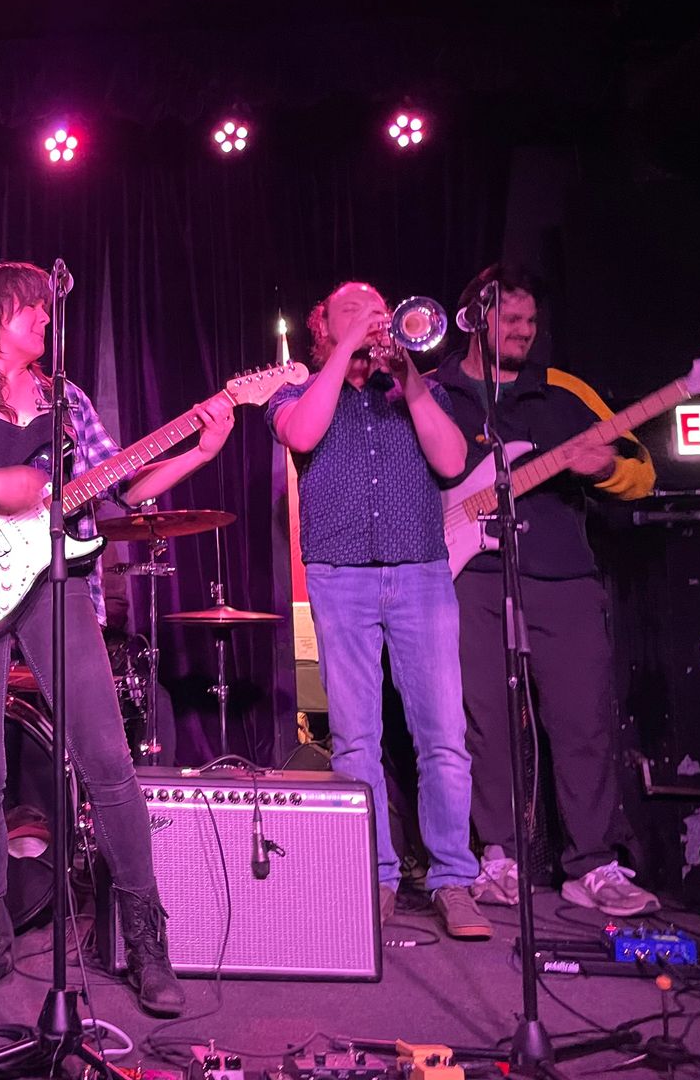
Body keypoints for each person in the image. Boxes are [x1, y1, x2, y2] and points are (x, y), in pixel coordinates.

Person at [0, 261, 233, 1016]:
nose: (46, 320)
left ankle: (147, 944)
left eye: (47, 311)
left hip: (59, 584)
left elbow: (124, 485)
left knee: (109, 763)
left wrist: (201, 450)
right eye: (32, 310)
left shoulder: (67, 399)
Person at [267, 281, 491, 940]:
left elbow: (452, 462)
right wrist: (345, 353)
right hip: (339, 578)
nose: (371, 317)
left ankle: (454, 880)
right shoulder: (296, 391)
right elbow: (301, 432)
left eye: (377, 309)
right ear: (323, 329)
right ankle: (375, 878)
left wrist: (410, 377)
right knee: (357, 740)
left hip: (421, 573)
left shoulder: (418, 390)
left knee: (443, 737)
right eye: (352, 311)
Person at [435, 263, 659, 916]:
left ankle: (592, 865)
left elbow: (643, 474)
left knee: (583, 721)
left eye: (531, 321)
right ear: (476, 319)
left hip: (563, 579)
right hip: (470, 580)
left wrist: (608, 467)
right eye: (511, 319)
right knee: (483, 724)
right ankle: (497, 857)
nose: (524, 331)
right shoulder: (437, 391)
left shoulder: (565, 391)